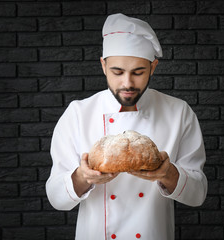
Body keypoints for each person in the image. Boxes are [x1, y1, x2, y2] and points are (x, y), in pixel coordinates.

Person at [46, 13, 207, 240]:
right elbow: (56, 198)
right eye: (117, 72)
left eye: (138, 72)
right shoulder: (78, 113)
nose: (127, 83)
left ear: (153, 67)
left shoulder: (179, 112)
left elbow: (198, 194)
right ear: (103, 65)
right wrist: (83, 177)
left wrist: (168, 174)